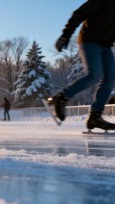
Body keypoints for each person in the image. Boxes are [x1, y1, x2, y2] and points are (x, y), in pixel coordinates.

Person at [50, 0, 115, 131]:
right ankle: (62, 97)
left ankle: (95, 116)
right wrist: (66, 34)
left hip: (105, 46)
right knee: (95, 75)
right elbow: (79, 13)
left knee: (111, 77)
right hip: (89, 40)